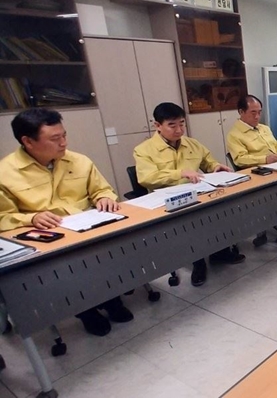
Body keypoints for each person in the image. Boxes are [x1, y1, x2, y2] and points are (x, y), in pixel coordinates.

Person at [0, 108, 133, 337]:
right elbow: (3, 217)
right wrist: (30, 217)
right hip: (49, 240)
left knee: (110, 254)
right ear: (28, 141)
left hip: (89, 229)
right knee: (71, 270)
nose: (64, 143)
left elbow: (102, 188)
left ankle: (112, 299)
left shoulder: (79, 160)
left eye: (64, 135)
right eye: (55, 138)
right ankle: (86, 311)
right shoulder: (5, 173)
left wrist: (104, 197)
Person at [133, 102, 245, 287]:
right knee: (192, 221)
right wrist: (180, 173)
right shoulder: (144, 150)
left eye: (182, 123)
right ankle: (198, 262)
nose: (179, 130)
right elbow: (146, 178)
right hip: (167, 202)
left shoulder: (192, 144)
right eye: (172, 125)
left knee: (221, 209)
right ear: (157, 126)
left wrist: (215, 167)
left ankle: (220, 251)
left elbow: (208, 161)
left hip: (197, 194)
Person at [226, 95, 277, 239]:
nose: (257, 116)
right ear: (241, 112)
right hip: (259, 173)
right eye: (253, 112)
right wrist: (265, 159)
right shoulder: (234, 135)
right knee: (276, 190)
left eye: (259, 112)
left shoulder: (264, 128)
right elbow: (240, 159)